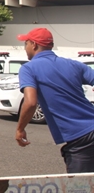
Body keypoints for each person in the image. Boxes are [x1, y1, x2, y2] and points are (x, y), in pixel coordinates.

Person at [16, 28, 94, 173]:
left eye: (25, 43)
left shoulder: (28, 69)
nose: (25, 48)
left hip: (81, 139)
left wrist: (20, 129)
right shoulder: (73, 65)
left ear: (33, 44)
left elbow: (31, 102)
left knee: (80, 186)